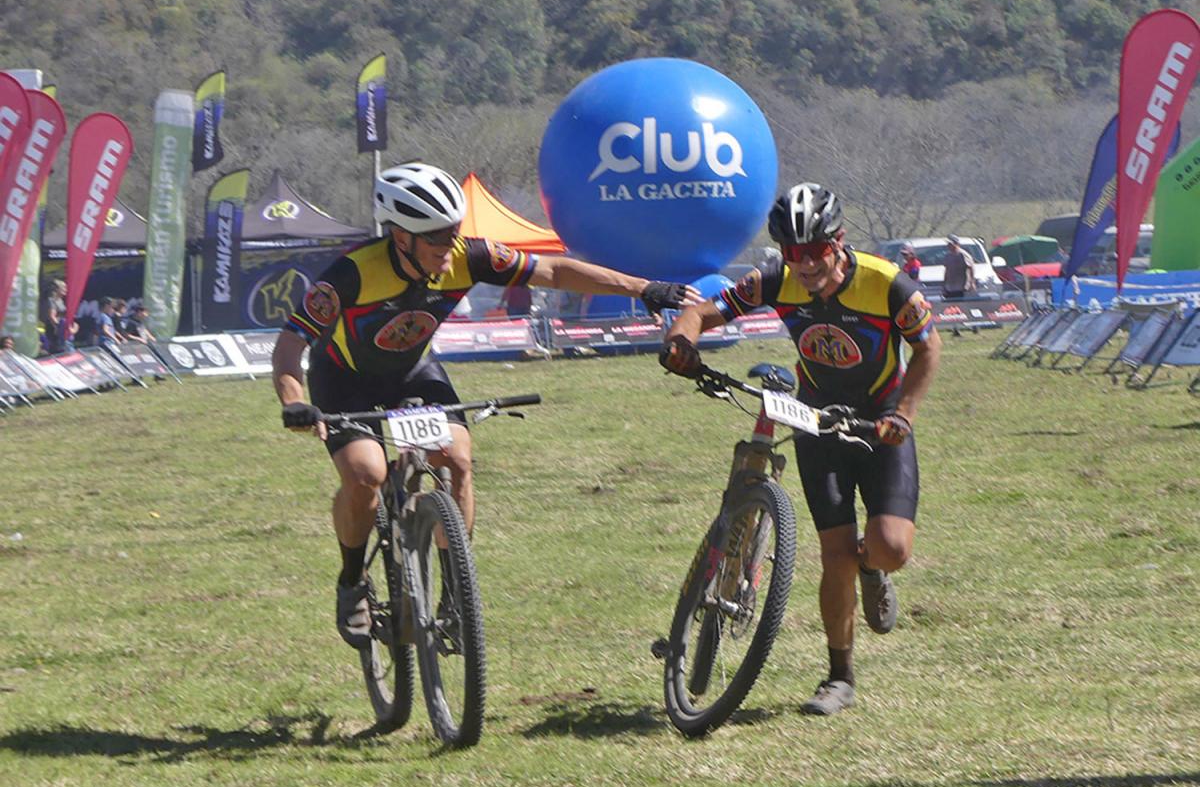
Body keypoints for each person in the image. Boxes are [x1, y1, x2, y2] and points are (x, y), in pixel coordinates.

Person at [271, 161, 702, 649]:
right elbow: (289, 345)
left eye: (454, 232)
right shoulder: (351, 274)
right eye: (435, 236)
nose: (447, 246)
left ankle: (456, 595)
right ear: (400, 236)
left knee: (456, 459)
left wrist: (643, 287)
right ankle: (352, 582)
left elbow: (555, 270)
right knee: (366, 474)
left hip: (412, 371)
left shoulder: (467, 256)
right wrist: (295, 402)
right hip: (344, 380)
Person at [660, 182, 942, 716]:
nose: (805, 264)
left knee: (890, 549)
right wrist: (681, 342)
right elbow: (700, 313)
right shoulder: (774, 281)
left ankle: (873, 569)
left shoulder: (887, 285)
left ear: (838, 243)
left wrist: (902, 415)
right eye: (794, 254)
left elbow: (928, 347)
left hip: (880, 424)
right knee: (834, 554)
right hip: (817, 422)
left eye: (814, 252)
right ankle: (839, 677)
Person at [942, 234, 976, 299]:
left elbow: (971, 268)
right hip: (950, 287)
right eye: (948, 244)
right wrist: (944, 285)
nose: (948, 246)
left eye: (950, 244)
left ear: (956, 244)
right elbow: (947, 270)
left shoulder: (963, 255)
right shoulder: (948, 256)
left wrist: (972, 283)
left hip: (962, 287)